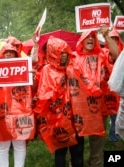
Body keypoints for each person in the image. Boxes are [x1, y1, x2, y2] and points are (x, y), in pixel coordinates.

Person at [66, 28, 118, 167]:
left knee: (97, 142)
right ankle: (75, 164)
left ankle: (96, 164)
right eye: (87, 36)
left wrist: (106, 35)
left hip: (99, 106)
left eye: (93, 36)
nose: (90, 39)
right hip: (79, 109)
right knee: (77, 143)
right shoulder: (74, 57)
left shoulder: (102, 54)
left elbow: (118, 55)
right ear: (81, 40)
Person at [0, 43, 35, 167]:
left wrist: (33, 77)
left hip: (20, 112)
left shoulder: (24, 67)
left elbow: (34, 88)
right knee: (2, 143)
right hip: (1, 112)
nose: (9, 54)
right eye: (6, 52)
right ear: (2, 54)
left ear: (16, 54)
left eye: (12, 52)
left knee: (19, 143)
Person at [34, 36, 84, 167]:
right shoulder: (47, 70)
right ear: (52, 53)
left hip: (75, 117)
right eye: (59, 52)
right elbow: (43, 95)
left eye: (65, 52)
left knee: (78, 151)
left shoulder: (74, 67)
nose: (62, 56)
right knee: (60, 153)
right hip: (57, 118)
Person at [102, 28, 124, 148]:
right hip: (103, 92)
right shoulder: (102, 53)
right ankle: (100, 138)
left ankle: (114, 137)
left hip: (117, 93)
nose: (113, 41)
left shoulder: (121, 53)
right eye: (112, 38)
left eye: (115, 38)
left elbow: (117, 54)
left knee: (116, 115)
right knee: (103, 116)